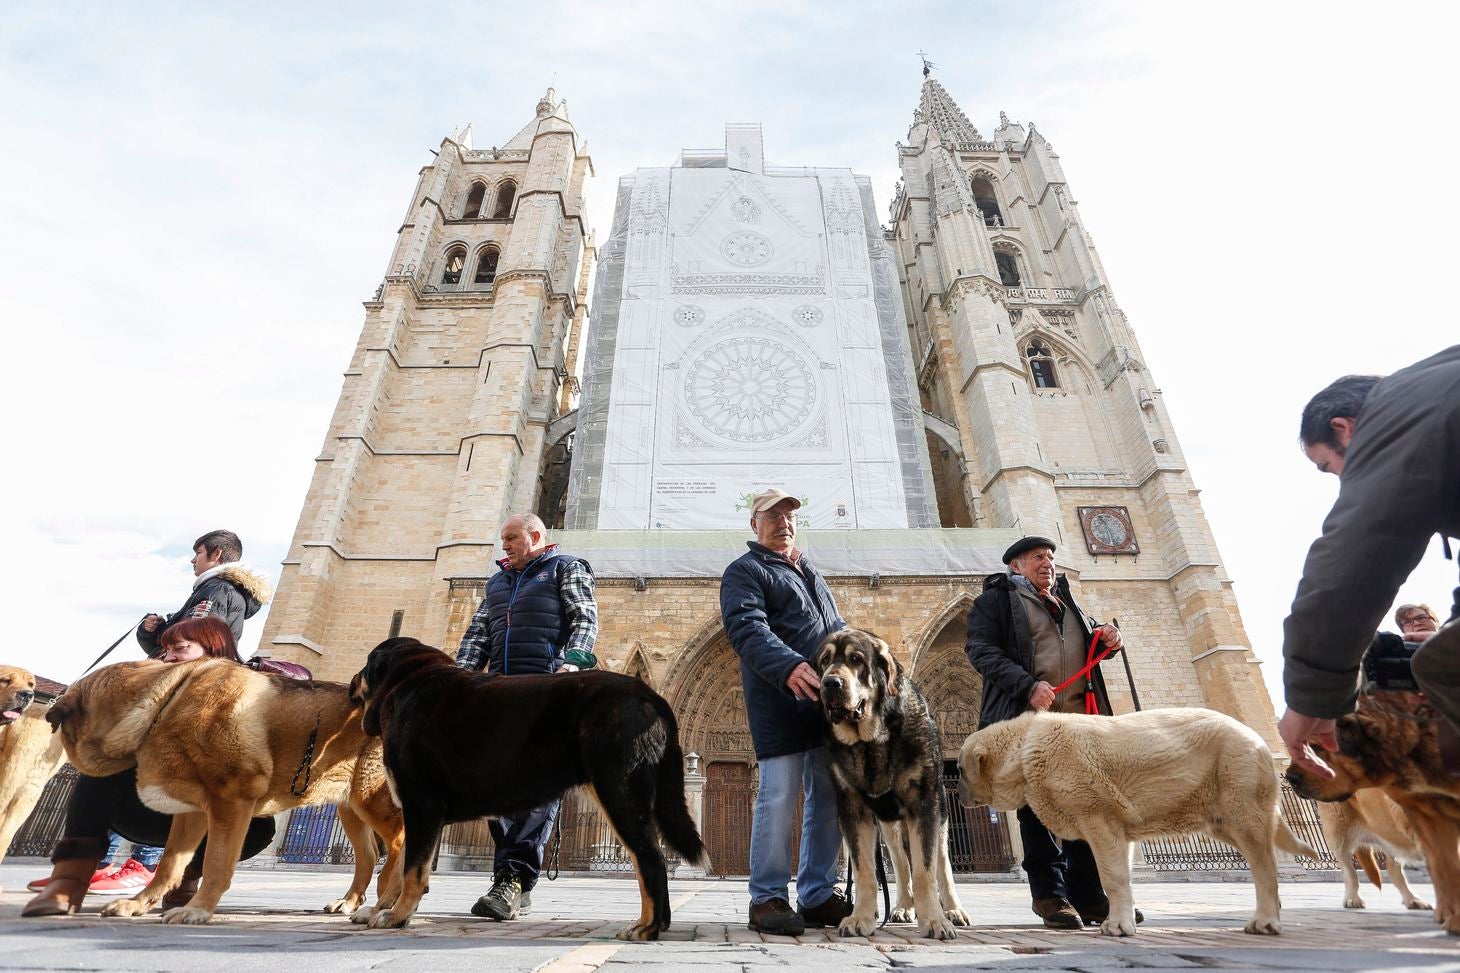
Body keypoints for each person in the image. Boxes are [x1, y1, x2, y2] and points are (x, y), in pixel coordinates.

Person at [1278, 347, 1460, 779]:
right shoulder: (1432, 392)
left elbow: (1351, 564)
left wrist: (1312, 696)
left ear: (1344, 428)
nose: (1344, 481)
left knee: (1443, 664)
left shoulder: (1393, 426)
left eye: (1329, 466)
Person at [22, 618, 275, 917]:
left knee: (259, 823)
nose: (169, 658)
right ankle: (68, 880)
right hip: (149, 809)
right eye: (166, 650)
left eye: (180, 648)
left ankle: (183, 880)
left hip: (211, 818)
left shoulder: (251, 693)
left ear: (214, 649)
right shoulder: (149, 686)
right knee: (101, 770)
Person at [964, 536, 1127, 930]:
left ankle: (1089, 897)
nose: (1048, 563)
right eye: (1038, 557)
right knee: (1037, 809)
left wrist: (1107, 636)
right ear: (1016, 566)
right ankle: (1050, 895)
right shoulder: (997, 601)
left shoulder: (1067, 601)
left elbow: (1089, 644)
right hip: (1027, 723)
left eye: (1051, 557)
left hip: (1077, 724)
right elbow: (980, 650)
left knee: (1083, 807)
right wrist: (1025, 685)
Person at [720, 488, 851, 935]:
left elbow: (836, 632)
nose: (783, 522)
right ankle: (768, 897)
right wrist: (789, 665)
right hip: (780, 699)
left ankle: (816, 895)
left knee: (828, 798)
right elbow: (746, 628)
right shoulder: (745, 571)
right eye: (772, 516)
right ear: (753, 524)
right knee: (777, 797)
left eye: (790, 515)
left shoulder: (809, 571)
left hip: (827, 705)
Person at [455, 513, 598, 922]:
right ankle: (511, 879)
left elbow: (584, 617)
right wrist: (459, 681)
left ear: (535, 536)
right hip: (498, 695)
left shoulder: (565, 567)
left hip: (545, 690)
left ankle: (513, 879)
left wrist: (572, 664)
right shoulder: (497, 582)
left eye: (511, 538)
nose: (505, 546)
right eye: (503, 539)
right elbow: (477, 633)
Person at [137, 529, 273, 657]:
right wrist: (151, 631)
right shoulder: (216, 588)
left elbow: (189, 648)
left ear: (216, 554)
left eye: (199, 552)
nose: (193, 560)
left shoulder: (217, 589)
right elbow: (173, 647)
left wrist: (162, 633)